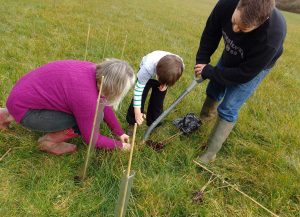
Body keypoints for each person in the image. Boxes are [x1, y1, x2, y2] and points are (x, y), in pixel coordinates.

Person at [194, 0, 286, 163]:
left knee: (229, 106)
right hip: (232, 53)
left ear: (261, 22)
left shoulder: (272, 35)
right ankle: (204, 119)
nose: (235, 30)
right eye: (234, 22)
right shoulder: (226, 4)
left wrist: (211, 71)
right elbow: (211, 32)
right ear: (238, 5)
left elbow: (244, 74)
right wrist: (202, 61)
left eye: (243, 29)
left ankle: (210, 154)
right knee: (215, 87)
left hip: (253, 67)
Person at [0, 59, 135, 155]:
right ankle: (49, 142)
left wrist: (119, 132)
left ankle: (6, 115)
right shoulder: (86, 98)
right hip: (28, 112)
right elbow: (92, 139)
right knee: (90, 119)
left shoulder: (93, 70)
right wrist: (120, 146)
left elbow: (103, 100)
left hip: (19, 97)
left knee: (87, 111)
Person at [126, 50, 184, 129]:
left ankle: (153, 124)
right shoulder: (147, 68)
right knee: (141, 97)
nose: (162, 83)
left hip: (163, 76)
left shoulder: (179, 66)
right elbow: (138, 91)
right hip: (148, 76)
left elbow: (173, 78)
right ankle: (132, 123)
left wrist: (166, 85)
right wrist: (137, 111)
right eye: (161, 81)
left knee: (158, 101)